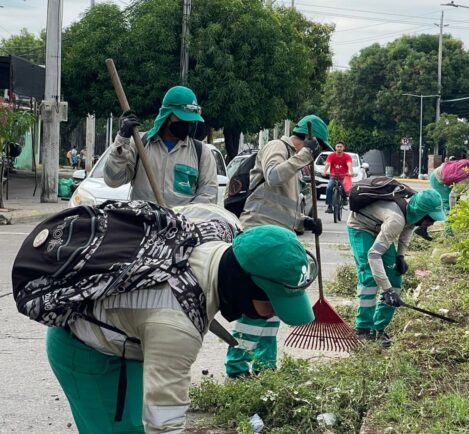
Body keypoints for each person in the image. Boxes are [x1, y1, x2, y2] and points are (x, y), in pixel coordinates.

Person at [45, 224, 317, 434]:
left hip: (130, 336)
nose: (275, 314)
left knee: (136, 422)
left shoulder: (220, 234)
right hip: (83, 348)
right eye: (273, 303)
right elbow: (165, 424)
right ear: (245, 288)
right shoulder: (177, 327)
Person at [228, 114, 331, 378]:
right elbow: (273, 176)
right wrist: (304, 156)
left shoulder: (297, 163)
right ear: (309, 140)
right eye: (318, 148)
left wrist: (305, 221)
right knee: (256, 306)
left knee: (274, 306)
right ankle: (238, 366)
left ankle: (265, 366)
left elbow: (283, 206)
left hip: (279, 239)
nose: (317, 155)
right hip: (259, 236)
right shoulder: (277, 147)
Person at [347, 189, 446, 346]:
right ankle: (363, 329)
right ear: (421, 213)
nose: (432, 223)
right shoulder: (396, 220)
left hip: (381, 227)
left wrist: (400, 256)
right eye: (430, 219)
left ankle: (378, 329)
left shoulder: (411, 214)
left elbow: (408, 228)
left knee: (395, 277)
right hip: (361, 227)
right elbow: (374, 255)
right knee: (370, 278)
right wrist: (387, 290)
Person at [103, 85, 218, 207]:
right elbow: (112, 180)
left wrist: (181, 217)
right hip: (143, 223)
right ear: (167, 115)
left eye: (191, 120)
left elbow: (208, 197)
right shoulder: (140, 145)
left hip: (181, 224)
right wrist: (122, 139)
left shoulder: (201, 153)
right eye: (183, 118)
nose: (188, 124)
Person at [323, 141, 355, 214]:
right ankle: (329, 206)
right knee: (329, 188)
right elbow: (328, 164)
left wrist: (351, 172)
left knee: (344, 188)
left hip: (343, 177)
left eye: (341, 147)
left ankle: (344, 198)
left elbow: (349, 164)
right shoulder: (331, 155)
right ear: (335, 148)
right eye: (338, 147)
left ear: (343, 148)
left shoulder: (347, 156)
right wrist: (324, 171)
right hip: (333, 176)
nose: (339, 148)